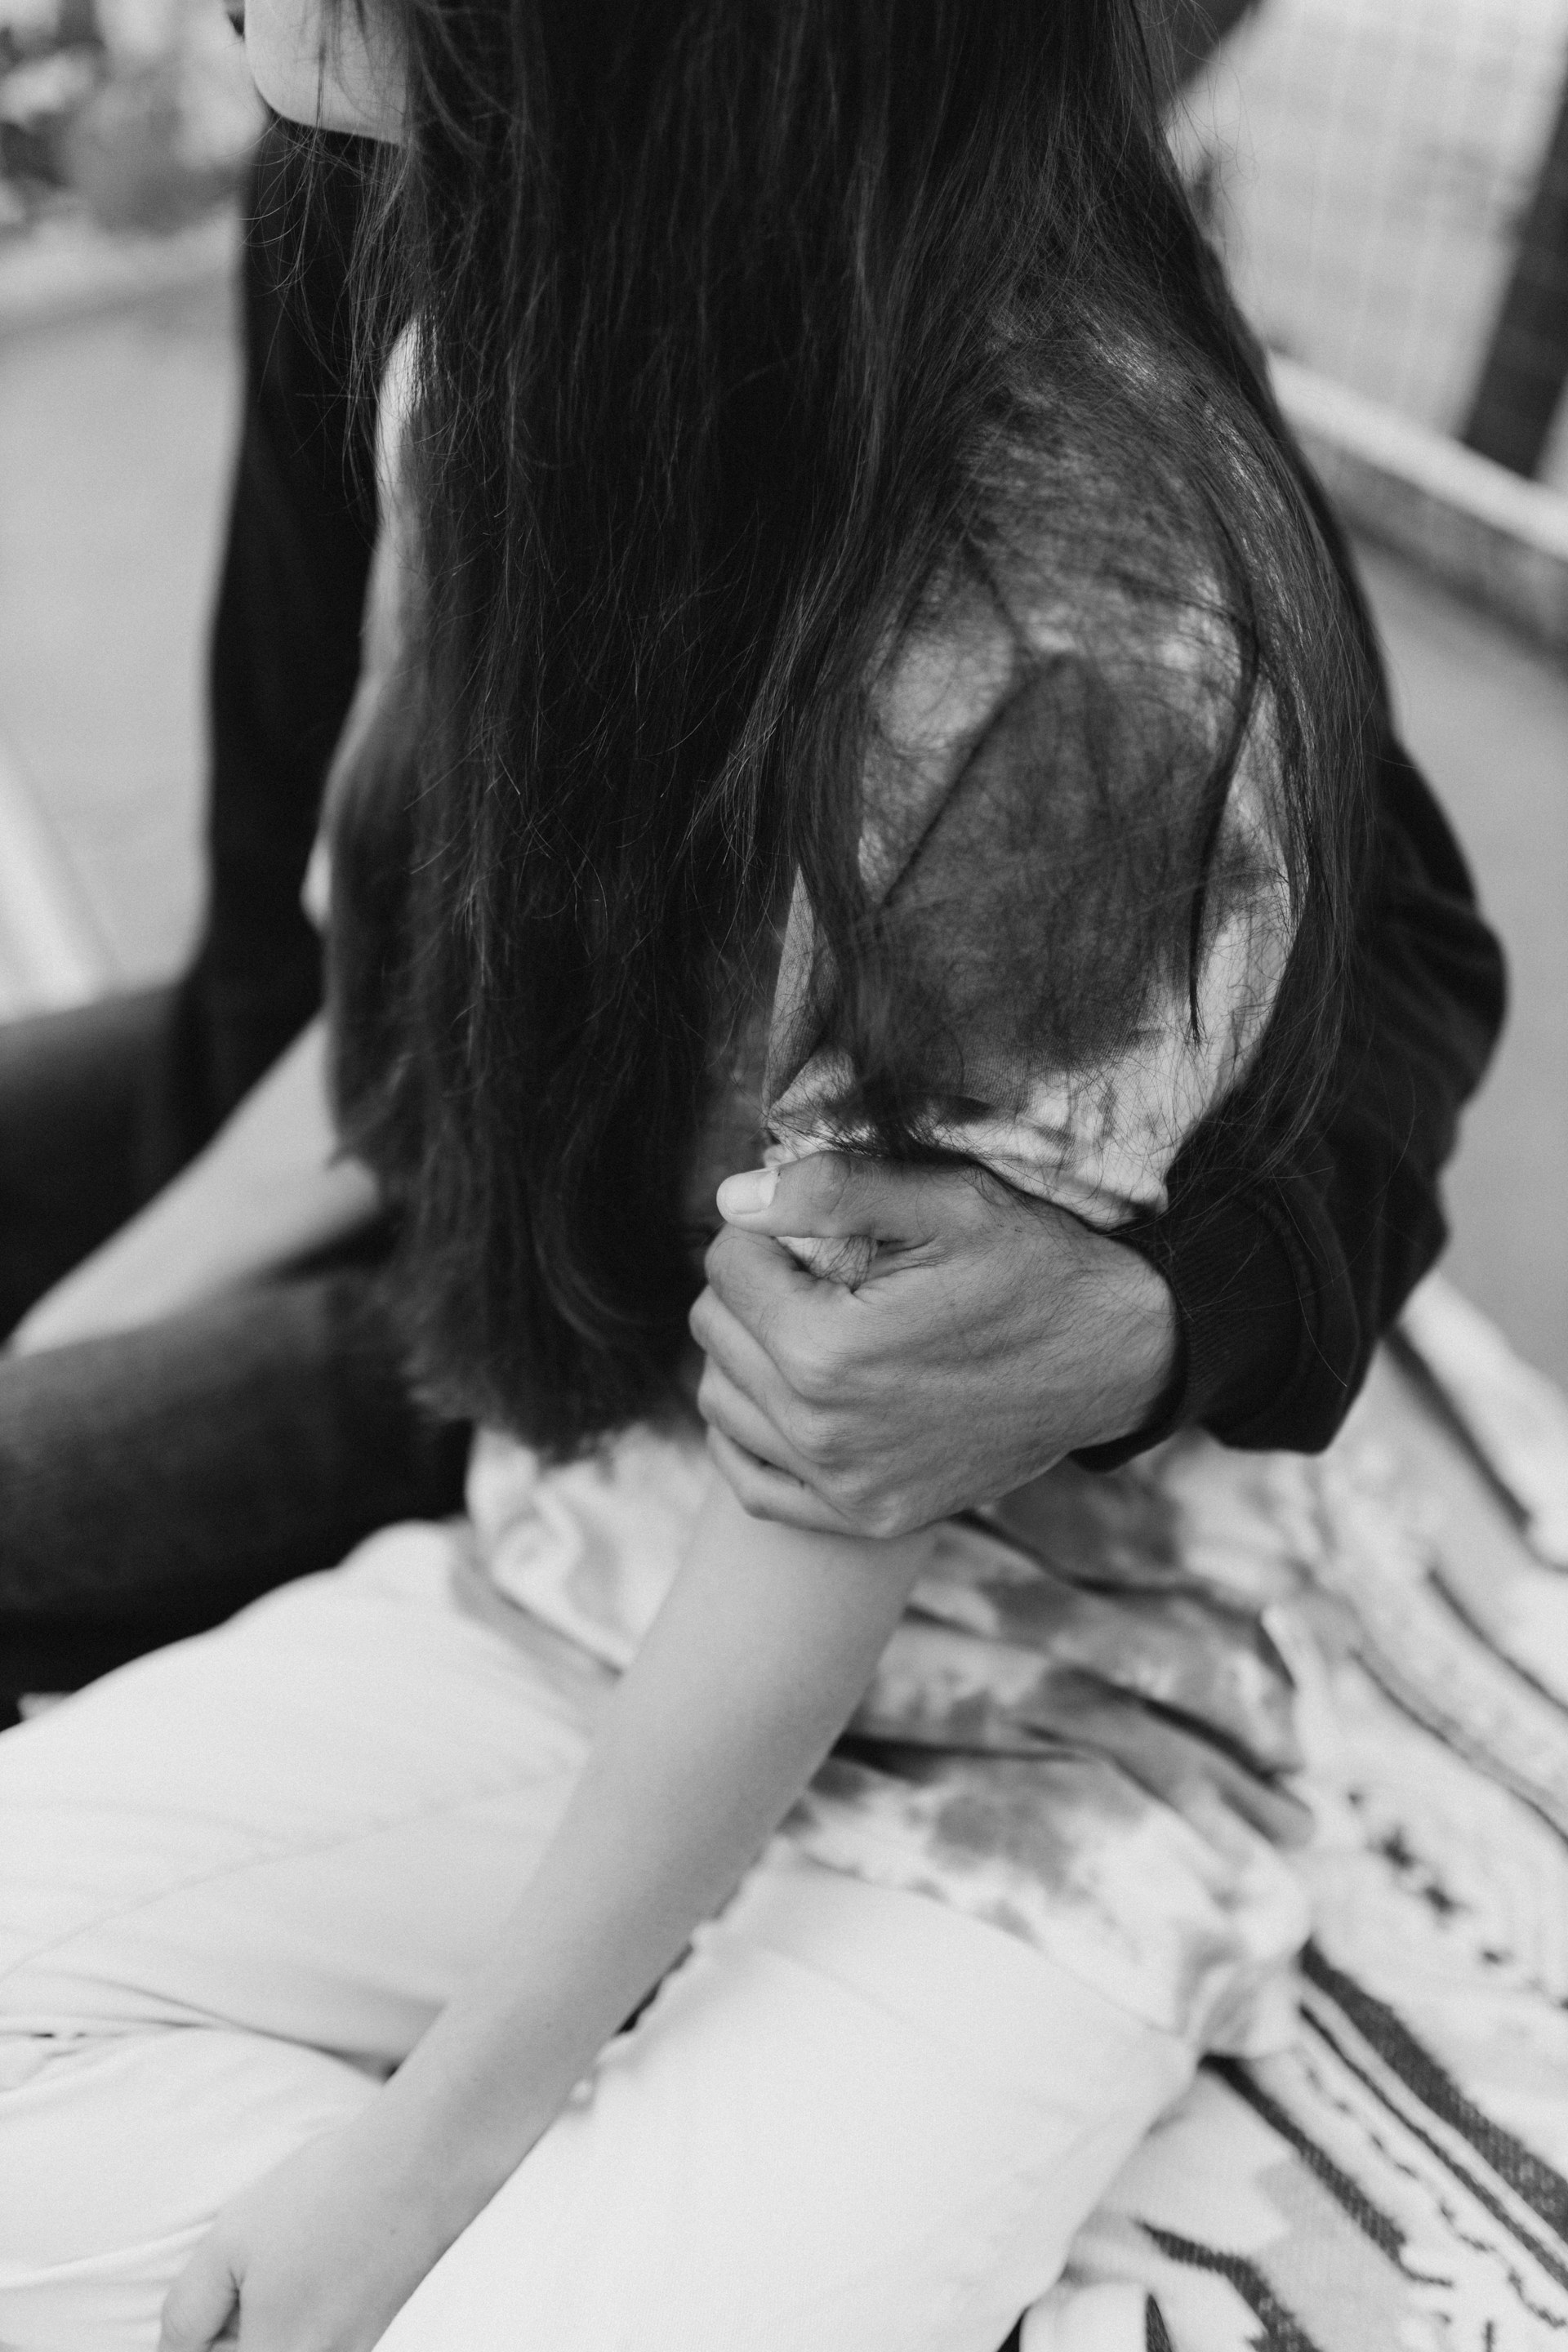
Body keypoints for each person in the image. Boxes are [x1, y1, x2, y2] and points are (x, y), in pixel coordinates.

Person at [0, 7, 1506, 2349]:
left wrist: (422, 2161)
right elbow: (368, 1012)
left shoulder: (1057, 605)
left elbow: (844, 1453)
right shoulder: (495, 317)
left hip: (1015, 1729)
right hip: (574, 1522)